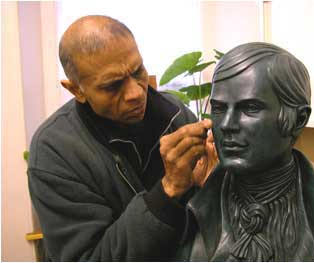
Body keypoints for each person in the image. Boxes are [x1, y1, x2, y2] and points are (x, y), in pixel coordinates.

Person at [27, 15, 216, 261]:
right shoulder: (54, 152)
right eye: (112, 86)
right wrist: (169, 190)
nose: (136, 93)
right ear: (76, 90)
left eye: (138, 71)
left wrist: (210, 184)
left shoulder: (176, 113)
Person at [176, 42, 314, 261]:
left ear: (298, 120)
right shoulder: (186, 216)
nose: (227, 124)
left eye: (250, 108)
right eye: (219, 108)